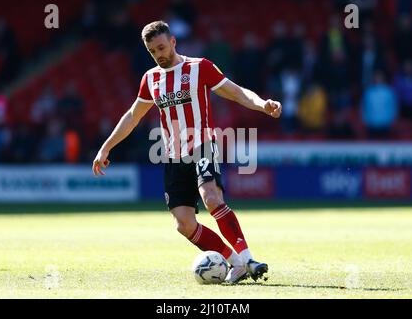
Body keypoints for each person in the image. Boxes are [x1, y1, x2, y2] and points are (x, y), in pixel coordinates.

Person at [92, 21, 282, 284]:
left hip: (202, 145)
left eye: (161, 47)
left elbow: (237, 93)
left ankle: (248, 258)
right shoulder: (150, 79)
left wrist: (263, 104)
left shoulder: (199, 67)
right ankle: (235, 263)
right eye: (151, 51)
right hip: (172, 156)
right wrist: (106, 147)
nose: (158, 54)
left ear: (173, 42)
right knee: (184, 224)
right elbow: (133, 116)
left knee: (211, 197)